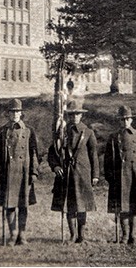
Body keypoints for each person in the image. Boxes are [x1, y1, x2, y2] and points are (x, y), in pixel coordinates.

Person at [48, 99, 99, 243]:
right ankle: (72, 235)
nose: (74, 117)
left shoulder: (88, 132)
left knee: (82, 206)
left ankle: (81, 235)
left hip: (83, 174)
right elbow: (52, 153)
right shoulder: (62, 133)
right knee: (69, 206)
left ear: (81, 115)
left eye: (77, 114)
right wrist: (56, 166)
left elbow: (93, 155)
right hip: (67, 175)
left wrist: (95, 175)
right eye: (71, 115)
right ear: (68, 116)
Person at [0, 98, 39, 246]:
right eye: (12, 112)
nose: (15, 114)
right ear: (8, 114)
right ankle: (12, 234)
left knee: (23, 205)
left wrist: (33, 172)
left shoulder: (28, 131)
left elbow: (34, 153)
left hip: (24, 173)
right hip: (8, 173)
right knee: (10, 205)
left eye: (17, 111)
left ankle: (22, 234)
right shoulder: (2, 131)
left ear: (21, 113)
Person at [104, 105, 136, 244]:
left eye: (127, 119)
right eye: (122, 119)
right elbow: (107, 159)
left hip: (135, 174)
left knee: (134, 206)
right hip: (119, 176)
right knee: (122, 207)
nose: (125, 122)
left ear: (131, 120)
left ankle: (133, 235)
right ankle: (124, 236)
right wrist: (109, 175)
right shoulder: (113, 137)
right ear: (119, 121)